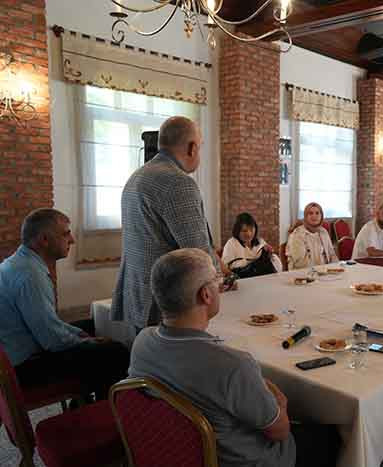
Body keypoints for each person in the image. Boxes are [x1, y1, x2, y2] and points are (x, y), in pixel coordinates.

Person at [129, 248, 340, 467]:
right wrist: (280, 401)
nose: (220, 284)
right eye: (216, 278)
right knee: (329, 437)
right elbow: (280, 431)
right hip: (239, 460)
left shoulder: (142, 343)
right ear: (206, 294)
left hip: (170, 454)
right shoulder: (233, 366)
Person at [0, 209, 129, 399]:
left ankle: (84, 402)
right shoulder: (30, 276)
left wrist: (80, 335)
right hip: (22, 367)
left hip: (19, 348)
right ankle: (104, 412)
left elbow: (48, 323)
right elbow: (51, 339)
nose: (72, 240)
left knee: (93, 325)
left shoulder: (19, 263)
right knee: (115, 352)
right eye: (66, 233)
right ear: (44, 239)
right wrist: (85, 341)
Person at [112, 116, 220, 340]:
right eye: (199, 147)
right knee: (174, 372)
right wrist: (218, 276)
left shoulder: (139, 175)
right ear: (191, 148)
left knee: (149, 367)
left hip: (139, 293)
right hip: (167, 302)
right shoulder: (178, 182)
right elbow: (198, 250)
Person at [286, 202, 338, 270]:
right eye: (310, 213)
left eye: (317, 213)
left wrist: (336, 267)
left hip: (325, 272)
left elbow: (332, 254)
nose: (314, 216)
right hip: (303, 275)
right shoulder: (297, 235)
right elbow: (300, 263)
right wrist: (321, 271)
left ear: (321, 216)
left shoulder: (323, 232)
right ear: (305, 216)